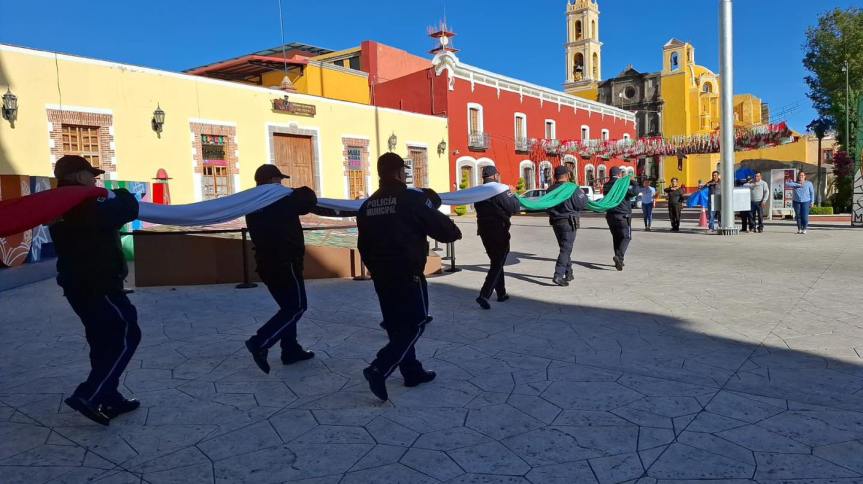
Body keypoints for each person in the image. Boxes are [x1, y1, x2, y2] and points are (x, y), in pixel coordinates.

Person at [358, 153, 462, 401]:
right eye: (403, 171)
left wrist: (374, 267)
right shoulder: (412, 198)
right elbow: (446, 231)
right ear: (397, 173)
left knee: (396, 325)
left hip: (381, 275)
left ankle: (411, 371)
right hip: (407, 272)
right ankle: (379, 367)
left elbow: (363, 245)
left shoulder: (367, 205)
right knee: (415, 323)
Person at [49, 155, 142, 426]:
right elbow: (126, 209)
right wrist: (120, 193)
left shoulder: (59, 205)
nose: (95, 180)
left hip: (78, 284)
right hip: (98, 284)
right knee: (127, 333)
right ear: (79, 177)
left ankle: (109, 396)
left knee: (102, 340)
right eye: (92, 175)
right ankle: (91, 394)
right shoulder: (81, 204)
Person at [244, 165, 318, 374]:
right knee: (297, 307)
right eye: (279, 182)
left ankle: (290, 349)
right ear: (270, 182)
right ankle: (260, 341)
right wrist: (288, 192)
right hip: (286, 263)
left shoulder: (253, 204)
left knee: (287, 307)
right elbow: (307, 198)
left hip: (267, 265)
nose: (282, 185)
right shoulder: (279, 199)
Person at [474, 166, 521, 309]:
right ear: (494, 176)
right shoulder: (499, 190)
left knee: (496, 261)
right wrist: (512, 194)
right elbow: (514, 208)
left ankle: (501, 293)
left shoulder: (478, 192)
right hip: (499, 230)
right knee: (497, 262)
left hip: (484, 231)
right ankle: (484, 294)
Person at [545, 165, 588, 286]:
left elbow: (546, 206)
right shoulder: (572, 188)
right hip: (569, 222)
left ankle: (569, 273)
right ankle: (558, 275)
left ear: (555, 176)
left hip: (555, 222)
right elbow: (582, 203)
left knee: (564, 247)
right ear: (567, 175)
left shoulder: (550, 189)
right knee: (566, 249)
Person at [603, 167, 638, 271]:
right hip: (623, 215)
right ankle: (619, 257)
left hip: (610, 215)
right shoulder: (623, 184)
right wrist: (633, 182)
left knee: (616, 237)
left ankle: (619, 261)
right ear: (619, 174)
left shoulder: (606, 185)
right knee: (627, 237)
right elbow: (634, 193)